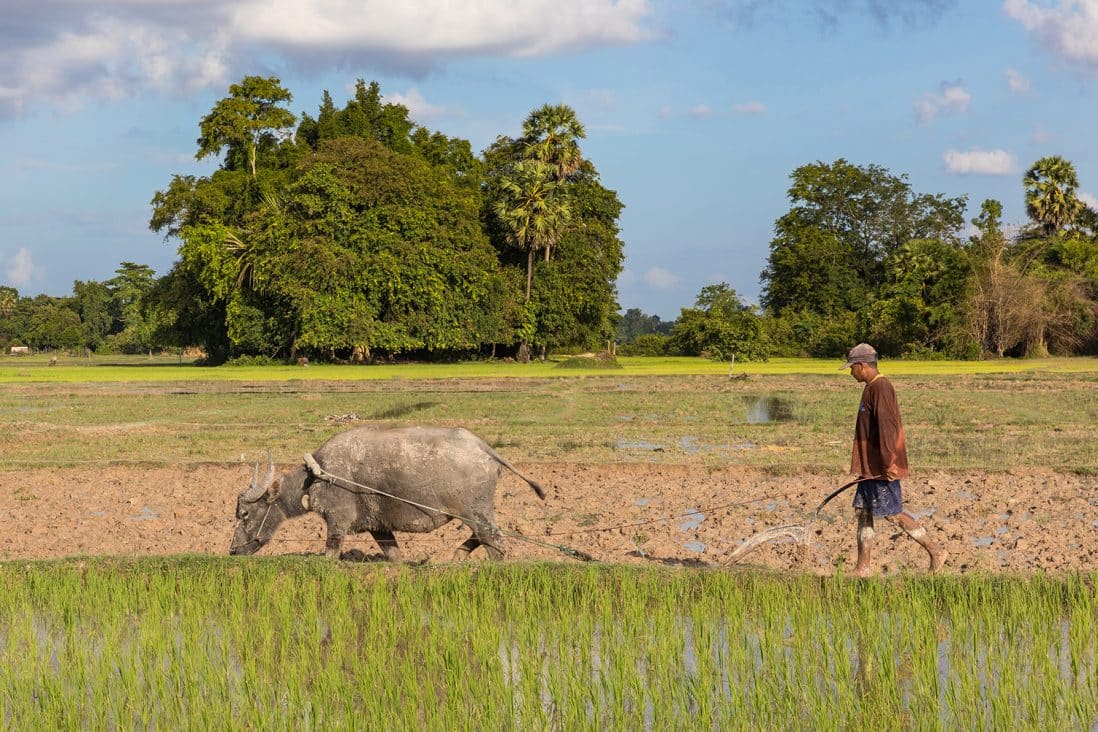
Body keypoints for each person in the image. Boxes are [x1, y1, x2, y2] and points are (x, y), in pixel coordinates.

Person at [840, 343, 946, 577]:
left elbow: (888, 428)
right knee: (864, 511)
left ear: (862, 365)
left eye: (852, 368)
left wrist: (890, 464)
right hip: (869, 467)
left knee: (893, 512)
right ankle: (863, 567)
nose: (850, 373)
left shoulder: (882, 388)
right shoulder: (869, 387)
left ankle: (936, 551)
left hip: (881, 466)